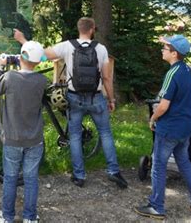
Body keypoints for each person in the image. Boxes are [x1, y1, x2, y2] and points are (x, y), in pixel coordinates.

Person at [14, 17, 128, 189]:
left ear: (78, 28)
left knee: (74, 136)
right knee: (105, 133)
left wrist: (23, 41)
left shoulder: (67, 46)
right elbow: (106, 77)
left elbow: (41, 54)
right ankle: (113, 171)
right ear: (92, 30)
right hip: (96, 97)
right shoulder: (101, 49)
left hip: (74, 97)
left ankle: (79, 176)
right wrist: (111, 99)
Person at [134, 34, 191, 220]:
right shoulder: (187, 71)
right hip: (186, 128)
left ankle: (156, 207)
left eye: (165, 48)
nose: (162, 50)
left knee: (158, 165)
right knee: (184, 162)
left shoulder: (172, 73)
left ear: (174, 53)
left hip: (170, 128)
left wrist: (152, 118)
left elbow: (163, 105)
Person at [0, 40, 48, 223]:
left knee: (10, 178)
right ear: (39, 62)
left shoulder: (9, 77)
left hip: (12, 138)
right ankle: (29, 218)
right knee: (31, 179)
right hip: (34, 139)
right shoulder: (42, 81)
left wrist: (0, 67)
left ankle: (7, 217)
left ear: (20, 56)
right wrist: (23, 61)